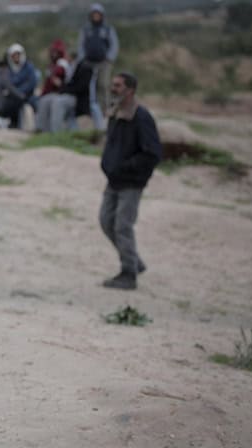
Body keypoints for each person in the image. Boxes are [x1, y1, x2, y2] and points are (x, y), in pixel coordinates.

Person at [98, 72, 161, 290]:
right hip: (113, 180)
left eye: (117, 85)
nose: (113, 88)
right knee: (106, 221)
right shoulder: (116, 114)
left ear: (130, 90)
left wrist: (128, 168)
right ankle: (134, 262)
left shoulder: (141, 117)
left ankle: (128, 274)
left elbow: (152, 153)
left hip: (131, 183)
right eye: (113, 84)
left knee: (123, 226)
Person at [77, 3, 119, 129]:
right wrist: (82, 58)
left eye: (98, 14)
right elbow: (80, 44)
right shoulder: (86, 29)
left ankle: (105, 109)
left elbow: (114, 44)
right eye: (94, 14)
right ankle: (90, 110)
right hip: (89, 62)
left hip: (103, 63)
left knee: (103, 85)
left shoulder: (107, 29)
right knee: (90, 86)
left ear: (101, 15)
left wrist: (109, 58)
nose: (96, 16)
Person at [34, 56, 93, 133]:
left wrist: (63, 87)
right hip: (64, 94)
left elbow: (80, 88)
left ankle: (56, 133)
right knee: (45, 100)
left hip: (77, 98)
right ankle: (41, 130)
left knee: (58, 102)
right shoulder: (66, 68)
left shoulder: (85, 67)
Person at [0, 43, 37, 129]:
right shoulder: (10, 69)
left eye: (17, 55)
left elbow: (31, 83)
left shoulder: (29, 67)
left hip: (27, 95)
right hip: (15, 96)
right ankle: (12, 123)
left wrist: (21, 91)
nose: (16, 58)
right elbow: (9, 84)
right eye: (13, 56)